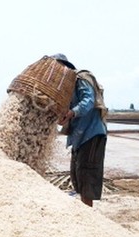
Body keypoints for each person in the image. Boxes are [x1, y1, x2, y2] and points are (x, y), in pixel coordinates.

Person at [51, 54, 107, 207]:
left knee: (86, 174)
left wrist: (71, 113)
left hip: (91, 134)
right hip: (78, 137)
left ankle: (88, 215)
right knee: (77, 175)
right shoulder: (67, 89)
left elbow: (88, 101)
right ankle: (84, 212)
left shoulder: (80, 78)